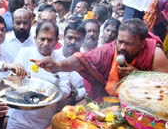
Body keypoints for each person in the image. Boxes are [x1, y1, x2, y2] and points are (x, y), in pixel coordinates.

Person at [33, 18, 168, 102]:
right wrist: (57, 65)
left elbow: (164, 91)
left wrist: (137, 76)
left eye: (128, 44)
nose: (121, 47)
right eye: (119, 41)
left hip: (141, 108)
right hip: (108, 103)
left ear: (142, 44)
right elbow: (81, 60)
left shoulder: (156, 55)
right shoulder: (109, 49)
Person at [4, 21, 70, 129]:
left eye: (50, 40)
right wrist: (7, 114)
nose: (45, 43)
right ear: (35, 39)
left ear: (57, 40)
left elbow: (66, 91)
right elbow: (9, 84)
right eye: (42, 39)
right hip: (18, 120)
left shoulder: (61, 61)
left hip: (42, 123)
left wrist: (55, 75)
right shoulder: (24, 53)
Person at [62, 22, 86, 104]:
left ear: (83, 41)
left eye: (77, 39)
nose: (73, 42)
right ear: (63, 37)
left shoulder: (86, 61)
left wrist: (77, 93)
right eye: (69, 38)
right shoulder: (52, 56)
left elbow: (90, 87)